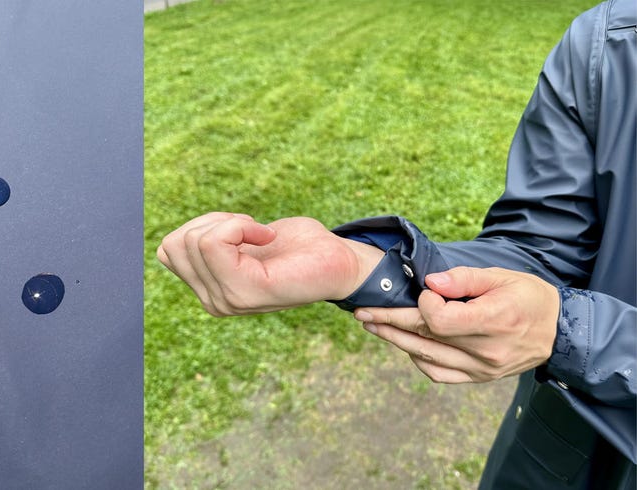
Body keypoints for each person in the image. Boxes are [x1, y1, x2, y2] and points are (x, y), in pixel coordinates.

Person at [156, 0, 635, 487]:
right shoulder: (607, 45)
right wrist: (364, 264)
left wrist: (571, 333)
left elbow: (562, 321)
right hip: (562, 457)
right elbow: (543, 254)